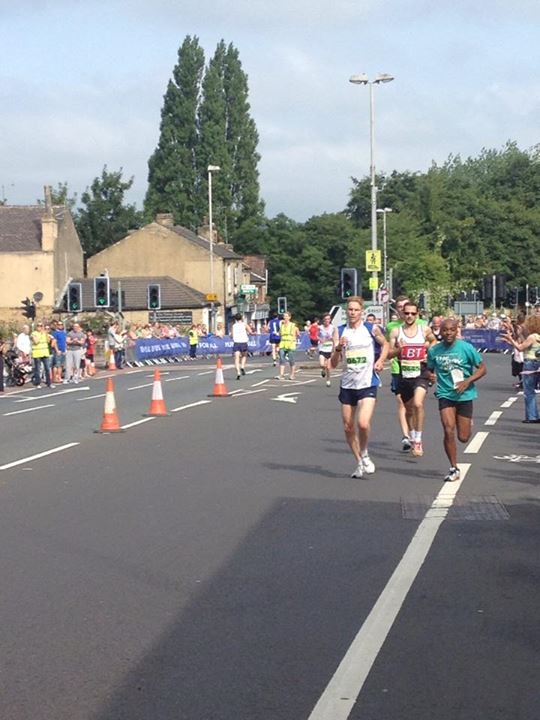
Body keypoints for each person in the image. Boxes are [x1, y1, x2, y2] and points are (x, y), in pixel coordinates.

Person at [331, 296, 388, 478]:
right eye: (350, 309)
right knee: (348, 427)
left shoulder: (371, 329)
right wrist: (338, 348)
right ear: (346, 311)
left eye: (356, 310)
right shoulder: (340, 331)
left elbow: (385, 345)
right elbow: (333, 363)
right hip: (348, 384)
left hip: (367, 382)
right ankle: (359, 462)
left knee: (363, 423)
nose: (353, 313)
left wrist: (380, 360)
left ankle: (364, 453)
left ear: (362, 311)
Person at [426, 317, 487, 482]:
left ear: (456, 330)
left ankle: (467, 422)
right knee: (448, 429)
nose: (448, 333)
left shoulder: (466, 348)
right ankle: (453, 467)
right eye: (445, 330)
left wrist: (467, 381)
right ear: (440, 331)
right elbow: (428, 369)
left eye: (452, 330)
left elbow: (482, 369)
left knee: (463, 437)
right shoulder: (434, 350)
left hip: (465, 395)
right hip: (445, 394)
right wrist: (430, 376)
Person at [388, 301, 437, 457]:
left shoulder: (424, 329)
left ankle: (418, 440)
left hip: (421, 372)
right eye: (407, 313)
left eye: (413, 313)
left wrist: (428, 353)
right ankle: (412, 434)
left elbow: (434, 341)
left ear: (417, 314)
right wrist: (399, 350)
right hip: (404, 373)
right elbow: (388, 354)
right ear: (402, 314)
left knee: (418, 403)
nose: (409, 316)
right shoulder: (396, 332)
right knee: (408, 410)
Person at [386, 296, 413, 451]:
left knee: (415, 405)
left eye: (405, 306)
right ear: (396, 310)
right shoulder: (391, 327)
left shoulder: (421, 324)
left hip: (416, 368)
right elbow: (388, 349)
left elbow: (430, 344)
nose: (403, 310)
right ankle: (406, 436)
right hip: (398, 369)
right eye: (400, 307)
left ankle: (414, 432)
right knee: (402, 402)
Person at [501, 315, 540, 423]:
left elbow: (520, 348)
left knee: (529, 391)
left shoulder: (532, 337)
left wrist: (510, 339)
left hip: (531, 363)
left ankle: (532, 416)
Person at [30, 321, 54, 388]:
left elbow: (48, 341)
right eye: (38, 326)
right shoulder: (34, 333)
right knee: (38, 369)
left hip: (45, 353)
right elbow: (36, 342)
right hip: (37, 353)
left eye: (41, 326)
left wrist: (46, 334)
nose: (40, 327)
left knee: (47, 368)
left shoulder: (45, 333)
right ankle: (38, 383)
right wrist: (41, 334)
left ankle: (49, 383)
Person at [277, 311, 300, 380]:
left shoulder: (292, 325)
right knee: (281, 359)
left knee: (291, 360)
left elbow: (297, 334)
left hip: (290, 344)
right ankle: (281, 375)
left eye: (286, 316)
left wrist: (294, 339)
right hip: (283, 343)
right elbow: (280, 334)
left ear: (289, 317)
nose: (285, 317)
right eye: (284, 316)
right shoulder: (282, 325)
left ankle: (292, 374)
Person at [231, 312, 253, 380]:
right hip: (243, 342)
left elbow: (232, 335)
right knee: (244, 355)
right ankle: (242, 367)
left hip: (236, 342)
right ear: (241, 318)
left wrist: (232, 336)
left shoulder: (234, 326)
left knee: (236, 358)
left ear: (235, 319)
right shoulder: (244, 324)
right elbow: (250, 331)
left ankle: (238, 372)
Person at [317, 313, 335, 387]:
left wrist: (334, 348)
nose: (327, 321)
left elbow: (334, 338)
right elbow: (316, 335)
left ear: (330, 320)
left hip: (330, 349)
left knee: (328, 367)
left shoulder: (332, 328)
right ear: (323, 320)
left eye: (328, 319)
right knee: (322, 364)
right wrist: (320, 339)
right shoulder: (320, 328)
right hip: (322, 348)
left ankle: (328, 380)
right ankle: (323, 370)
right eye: (325, 319)